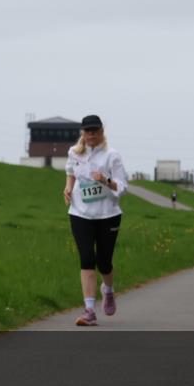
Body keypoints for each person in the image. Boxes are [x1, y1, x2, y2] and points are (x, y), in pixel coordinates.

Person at [63, 115, 128, 327]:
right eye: (87, 131)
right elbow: (70, 171)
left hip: (108, 214)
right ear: (83, 133)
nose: (91, 134)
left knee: (104, 262)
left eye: (95, 131)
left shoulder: (112, 156)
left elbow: (122, 188)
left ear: (101, 132)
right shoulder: (74, 152)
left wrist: (106, 180)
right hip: (80, 213)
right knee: (87, 258)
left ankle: (108, 290)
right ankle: (89, 311)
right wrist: (68, 187)